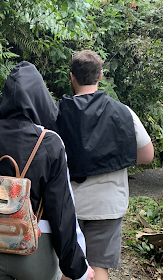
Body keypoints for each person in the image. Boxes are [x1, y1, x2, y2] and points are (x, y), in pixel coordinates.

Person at [0, 61, 95, 280]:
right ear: (40, 98)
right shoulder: (50, 142)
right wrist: (77, 268)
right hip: (35, 251)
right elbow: (61, 211)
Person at [55, 50, 154, 280]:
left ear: (72, 77)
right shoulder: (123, 112)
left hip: (69, 205)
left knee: (68, 267)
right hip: (108, 205)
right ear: (100, 76)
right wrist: (117, 157)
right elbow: (147, 155)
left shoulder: (58, 113)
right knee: (99, 267)